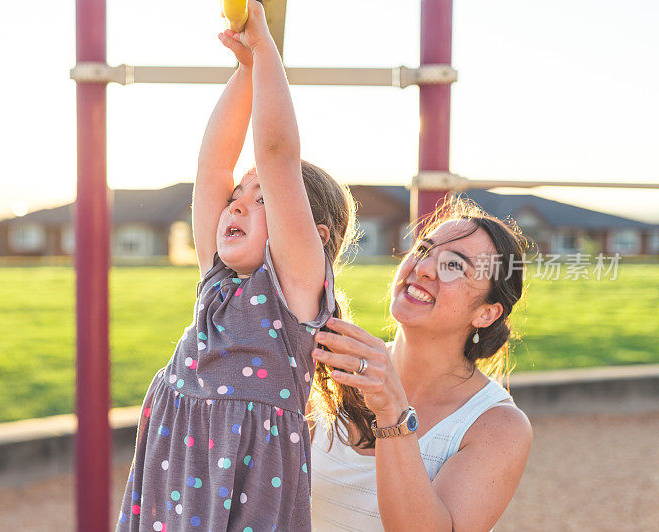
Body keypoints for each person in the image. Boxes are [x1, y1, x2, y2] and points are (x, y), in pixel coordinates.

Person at [116, 1, 356, 530]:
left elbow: (275, 155)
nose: (238, 203)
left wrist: (266, 51)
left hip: (244, 490)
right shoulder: (218, 281)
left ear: (313, 237)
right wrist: (245, 70)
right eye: (237, 198)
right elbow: (213, 166)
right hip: (175, 475)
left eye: (262, 198)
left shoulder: (293, 289)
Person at [308, 198, 534, 531]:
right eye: (424, 250)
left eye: (454, 266)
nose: (424, 268)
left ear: (486, 313)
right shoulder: (336, 370)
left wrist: (392, 413)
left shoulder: (498, 426)